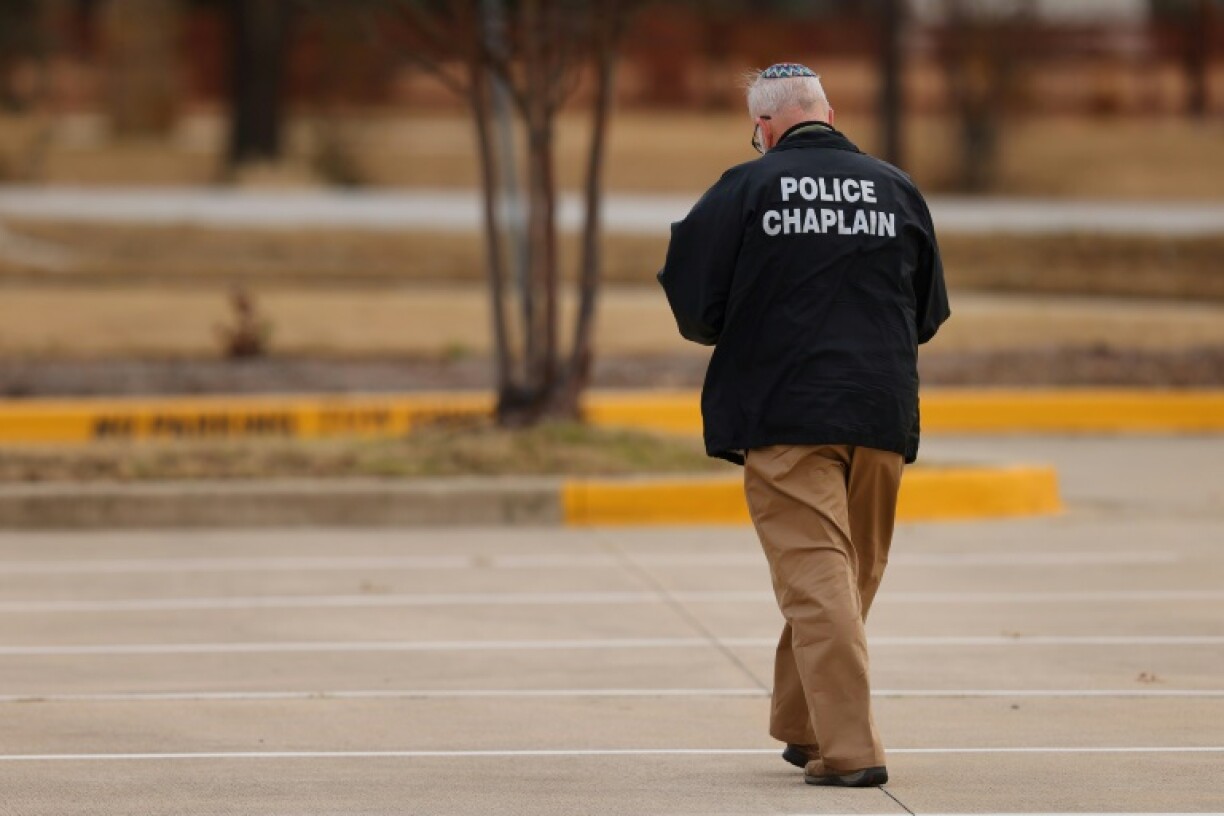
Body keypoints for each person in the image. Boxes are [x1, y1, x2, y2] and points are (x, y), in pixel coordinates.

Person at [657, 63, 949, 787]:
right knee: (845, 579)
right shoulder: (895, 187)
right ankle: (804, 723)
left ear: (764, 126)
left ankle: (850, 749)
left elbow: (696, 306)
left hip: (784, 410)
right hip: (881, 407)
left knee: (820, 583)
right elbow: (928, 312)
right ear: (826, 110)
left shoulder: (745, 188)